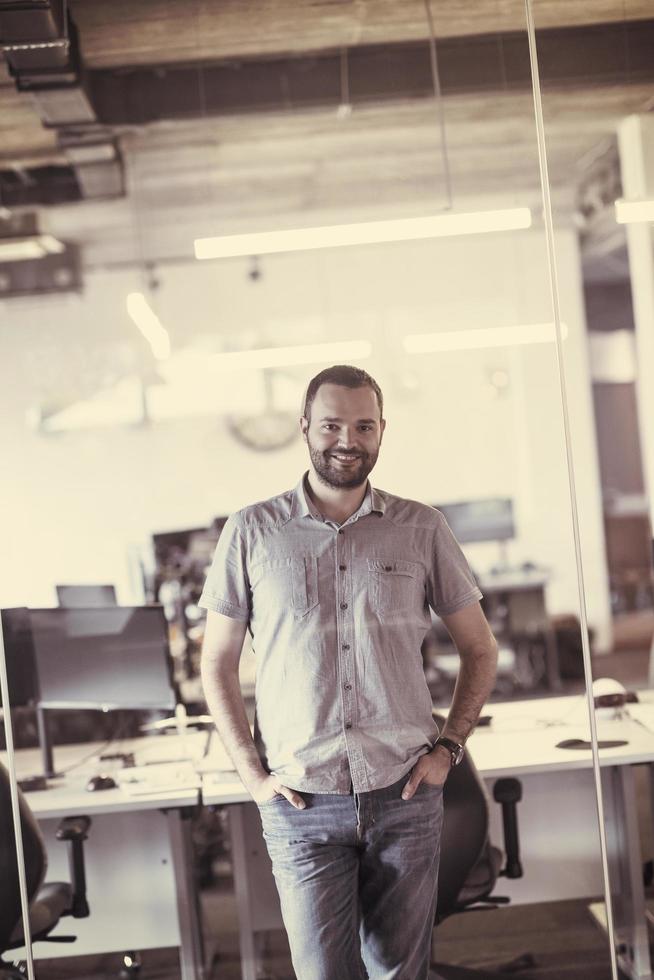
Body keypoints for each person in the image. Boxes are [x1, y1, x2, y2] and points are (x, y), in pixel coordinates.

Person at [199, 364, 498, 980]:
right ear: (305, 427)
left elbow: (481, 649)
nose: (347, 440)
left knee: (399, 972)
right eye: (332, 424)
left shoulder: (422, 527)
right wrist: (254, 777)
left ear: (382, 431)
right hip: (302, 801)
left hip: (405, 796)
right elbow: (217, 663)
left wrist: (448, 749)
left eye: (363, 425)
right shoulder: (252, 531)